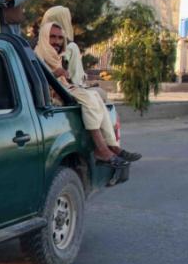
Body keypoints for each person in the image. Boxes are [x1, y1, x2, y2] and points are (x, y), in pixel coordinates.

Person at [35, 21, 140, 167]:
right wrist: (55, 75)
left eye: (60, 38)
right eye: (53, 37)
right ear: (45, 37)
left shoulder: (54, 56)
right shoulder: (37, 56)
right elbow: (33, 84)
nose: (57, 41)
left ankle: (113, 146)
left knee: (96, 96)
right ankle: (101, 149)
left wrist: (63, 76)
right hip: (50, 97)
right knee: (88, 97)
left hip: (64, 90)